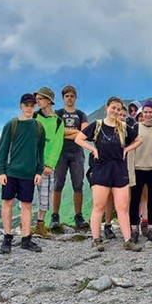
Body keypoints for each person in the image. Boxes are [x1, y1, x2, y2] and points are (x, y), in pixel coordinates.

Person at [75, 96, 143, 252]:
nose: (115, 111)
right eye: (113, 108)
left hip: (119, 169)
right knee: (98, 206)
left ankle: (127, 240)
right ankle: (96, 239)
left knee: (122, 207)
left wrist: (127, 149)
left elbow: (139, 140)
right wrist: (93, 149)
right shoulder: (97, 125)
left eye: (118, 109)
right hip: (101, 169)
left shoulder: (124, 127)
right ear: (107, 107)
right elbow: (79, 138)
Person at [0, 93, 46, 253]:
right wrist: (1, 171)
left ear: (35, 106)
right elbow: (2, 149)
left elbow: (40, 152)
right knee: (7, 203)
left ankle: (26, 239)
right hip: (11, 172)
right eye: (27, 105)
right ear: (21, 106)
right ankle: (7, 238)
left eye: (32, 105)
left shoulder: (38, 127)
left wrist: (39, 171)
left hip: (29, 173)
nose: (30, 108)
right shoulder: (12, 124)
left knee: (27, 205)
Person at [52, 85, 89, 231]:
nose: (69, 98)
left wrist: (65, 132)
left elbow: (85, 132)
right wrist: (75, 132)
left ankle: (78, 216)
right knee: (58, 183)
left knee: (78, 184)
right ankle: (55, 216)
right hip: (60, 152)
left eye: (72, 96)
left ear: (76, 98)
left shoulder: (81, 114)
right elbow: (56, 132)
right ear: (63, 98)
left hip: (77, 152)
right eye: (67, 96)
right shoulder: (58, 113)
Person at [32, 87, 65, 238]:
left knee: (45, 195)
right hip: (30, 162)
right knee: (25, 195)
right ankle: (25, 225)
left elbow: (58, 144)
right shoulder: (33, 117)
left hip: (45, 165)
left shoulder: (58, 121)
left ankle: (40, 225)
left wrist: (50, 164)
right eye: (36, 99)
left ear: (49, 100)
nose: (37, 102)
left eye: (40, 99)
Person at [129, 101, 152, 243]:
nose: (148, 115)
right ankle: (134, 229)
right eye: (146, 112)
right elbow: (130, 151)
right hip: (138, 168)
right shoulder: (135, 128)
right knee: (135, 200)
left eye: (151, 112)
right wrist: (130, 172)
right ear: (142, 113)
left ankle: (150, 228)